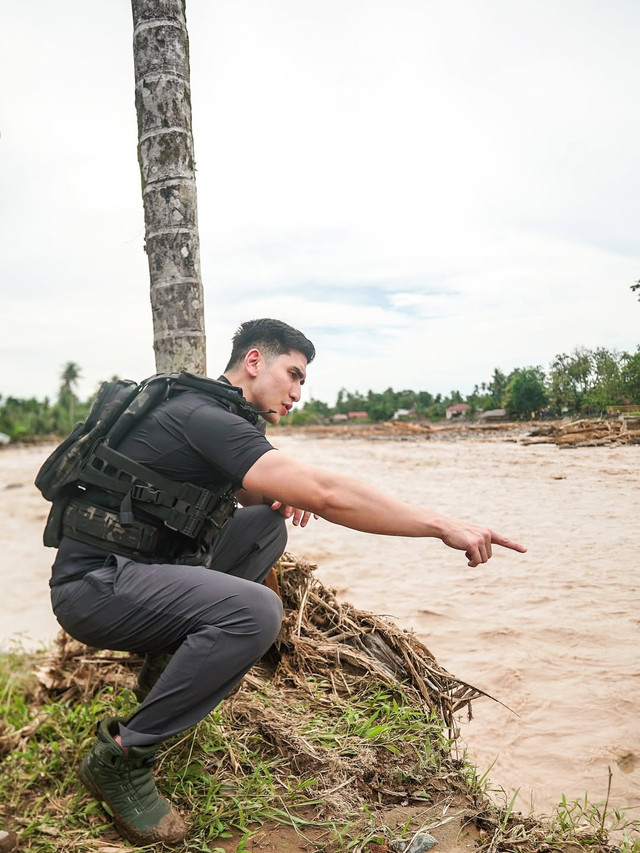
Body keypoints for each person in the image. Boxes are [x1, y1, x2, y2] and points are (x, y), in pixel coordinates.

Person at [48, 318, 526, 847]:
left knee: (263, 526)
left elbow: (222, 499)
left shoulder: (218, 415)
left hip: (141, 573)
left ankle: (167, 677)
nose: (297, 393)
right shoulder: (205, 416)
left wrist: (273, 492)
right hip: (95, 587)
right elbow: (326, 492)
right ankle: (123, 754)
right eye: (292, 375)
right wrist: (441, 524)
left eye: (304, 383)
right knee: (254, 612)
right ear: (254, 362)